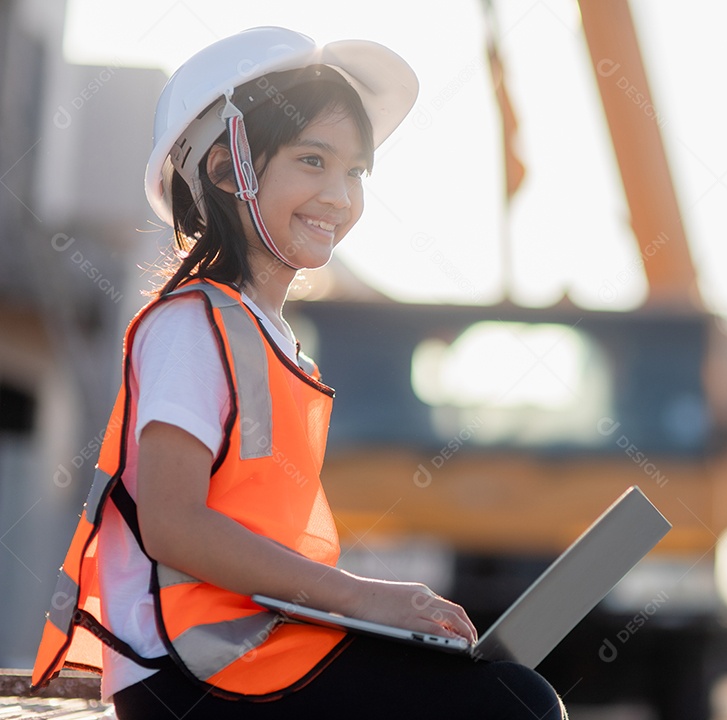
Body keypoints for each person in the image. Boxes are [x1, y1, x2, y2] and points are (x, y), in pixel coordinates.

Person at [31, 26, 567, 719]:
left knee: (502, 684)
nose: (339, 196)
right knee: (512, 704)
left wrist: (371, 610)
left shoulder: (274, 341)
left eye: (355, 171)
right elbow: (172, 525)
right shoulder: (192, 326)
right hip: (187, 677)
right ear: (228, 173)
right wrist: (365, 596)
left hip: (252, 659)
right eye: (313, 160)